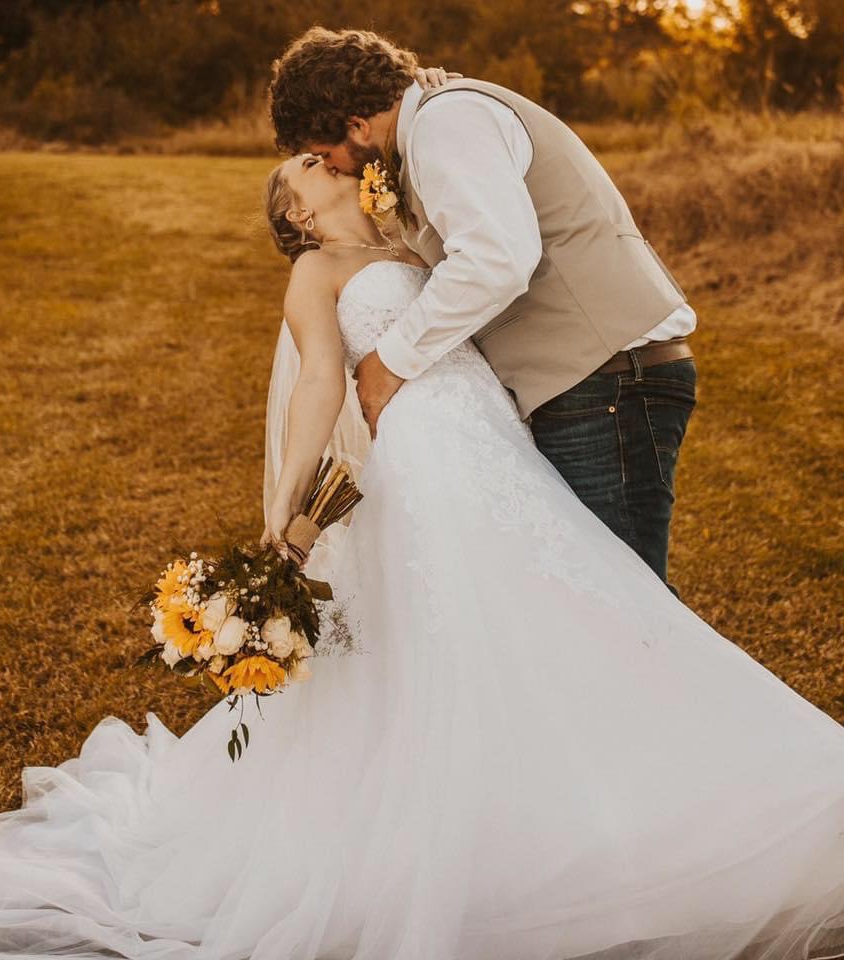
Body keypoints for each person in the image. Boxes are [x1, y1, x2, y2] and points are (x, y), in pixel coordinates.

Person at [0, 104, 844, 959]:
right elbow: (316, 384)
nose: (317, 161)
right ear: (296, 215)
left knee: (573, 609)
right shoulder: (317, 272)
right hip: (420, 466)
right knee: (464, 631)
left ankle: (618, 815)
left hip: (499, 452)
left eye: (316, 153)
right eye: (301, 168)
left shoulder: (416, 250)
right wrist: (286, 510)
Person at [268, 27, 699, 594]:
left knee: (624, 604)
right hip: (572, 387)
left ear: (358, 125)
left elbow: (496, 260)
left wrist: (388, 362)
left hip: (609, 376)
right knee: (580, 598)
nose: (341, 170)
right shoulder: (434, 127)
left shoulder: (447, 124)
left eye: (327, 155)